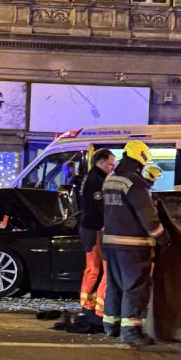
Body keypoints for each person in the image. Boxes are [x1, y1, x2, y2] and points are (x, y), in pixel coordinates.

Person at [101, 140, 170, 346]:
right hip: (133, 245)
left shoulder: (111, 180)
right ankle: (131, 332)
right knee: (135, 287)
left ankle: (111, 326)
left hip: (111, 243)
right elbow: (147, 215)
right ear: (140, 158)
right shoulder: (135, 182)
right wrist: (162, 237)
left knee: (114, 286)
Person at [73, 149, 116, 333]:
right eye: (110, 164)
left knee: (93, 269)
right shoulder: (97, 180)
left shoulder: (90, 177)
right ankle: (94, 308)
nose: (112, 168)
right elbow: (99, 207)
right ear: (101, 162)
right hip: (94, 229)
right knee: (95, 270)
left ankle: (87, 306)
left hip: (88, 227)